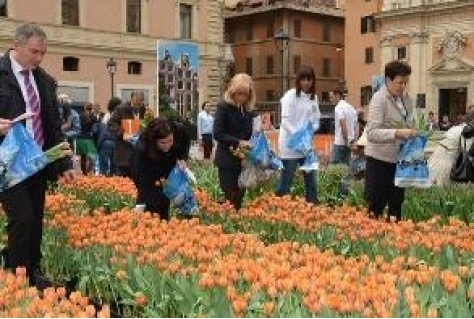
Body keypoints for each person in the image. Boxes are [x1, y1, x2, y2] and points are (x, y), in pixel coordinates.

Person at [0, 24, 75, 285]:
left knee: (35, 219)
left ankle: (31, 272)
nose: (39, 58)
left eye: (43, 53)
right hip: (9, 165)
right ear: (17, 45)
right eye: (35, 52)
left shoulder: (43, 80)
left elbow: (53, 125)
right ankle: (17, 277)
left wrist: (65, 163)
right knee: (22, 217)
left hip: (38, 163)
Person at [365, 60, 416, 221]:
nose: (402, 87)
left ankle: (395, 241)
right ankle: (371, 241)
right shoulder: (378, 100)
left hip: (399, 160)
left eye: (405, 83)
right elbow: (371, 133)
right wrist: (397, 133)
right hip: (380, 160)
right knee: (376, 205)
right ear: (388, 80)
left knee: (396, 204)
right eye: (399, 82)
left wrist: (413, 132)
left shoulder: (406, 99)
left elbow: (409, 121)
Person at [275, 65, 320, 204]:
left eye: (309, 79)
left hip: (306, 147)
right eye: (303, 79)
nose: (306, 83)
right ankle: (279, 206)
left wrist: (310, 132)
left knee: (311, 179)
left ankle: (312, 206)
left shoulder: (314, 98)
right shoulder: (290, 95)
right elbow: (285, 121)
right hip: (290, 146)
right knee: (286, 179)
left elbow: (316, 120)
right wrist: (299, 136)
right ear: (298, 80)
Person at [213, 73, 259, 210]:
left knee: (239, 198)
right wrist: (238, 141)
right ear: (232, 92)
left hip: (243, 161)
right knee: (230, 197)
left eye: (245, 94)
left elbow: (251, 133)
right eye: (239, 94)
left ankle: (234, 226)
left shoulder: (248, 110)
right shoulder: (223, 107)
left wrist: (259, 130)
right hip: (227, 160)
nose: (242, 97)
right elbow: (218, 133)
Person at [130, 118, 190, 220]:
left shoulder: (178, 130)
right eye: (163, 142)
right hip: (151, 168)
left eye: (170, 141)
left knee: (165, 198)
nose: (167, 145)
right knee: (152, 203)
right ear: (154, 140)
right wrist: (141, 202)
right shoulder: (142, 148)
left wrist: (182, 158)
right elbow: (140, 179)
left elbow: (185, 142)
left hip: (168, 162)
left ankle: (164, 220)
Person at [428, 110, 474, 186]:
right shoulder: (467, 131)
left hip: (436, 158)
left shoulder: (455, 128)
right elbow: (468, 151)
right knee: (443, 187)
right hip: (447, 163)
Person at [107, 91, 146, 177]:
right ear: (131, 99)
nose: (137, 106)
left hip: (138, 151)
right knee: (123, 178)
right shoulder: (121, 109)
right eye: (135, 103)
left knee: (137, 178)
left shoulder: (144, 110)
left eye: (140, 103)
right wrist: (123, 131)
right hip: (123, 150)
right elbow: (110, 124)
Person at [329, 88, 358, 165]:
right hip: (350, 143)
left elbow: (343, 124)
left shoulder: (338, 107)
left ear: (338, 96)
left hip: (340, 143)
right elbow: (356, 126)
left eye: (332, 97)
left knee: (333, 170)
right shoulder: (351, 107)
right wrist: (355, 141)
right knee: (345, 169)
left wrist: (346, 142)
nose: (330, 99)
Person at [96, 97, 121, 176]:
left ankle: (104, 184)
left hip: (106, 142)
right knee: (115, 168)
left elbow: (102, 133)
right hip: (117, 143)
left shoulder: (107, 115)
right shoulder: (121, 115)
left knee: (103, 167)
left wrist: (98, 146)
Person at [76, 102, 98, 175]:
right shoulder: (93, 117)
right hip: (88, 138)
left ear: (84, 108)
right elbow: (95, 125)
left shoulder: (80, 115)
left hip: (80, 138)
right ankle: (92, 171)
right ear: (91, 109)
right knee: (92, 155)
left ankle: (84, 173)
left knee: (82, 157)